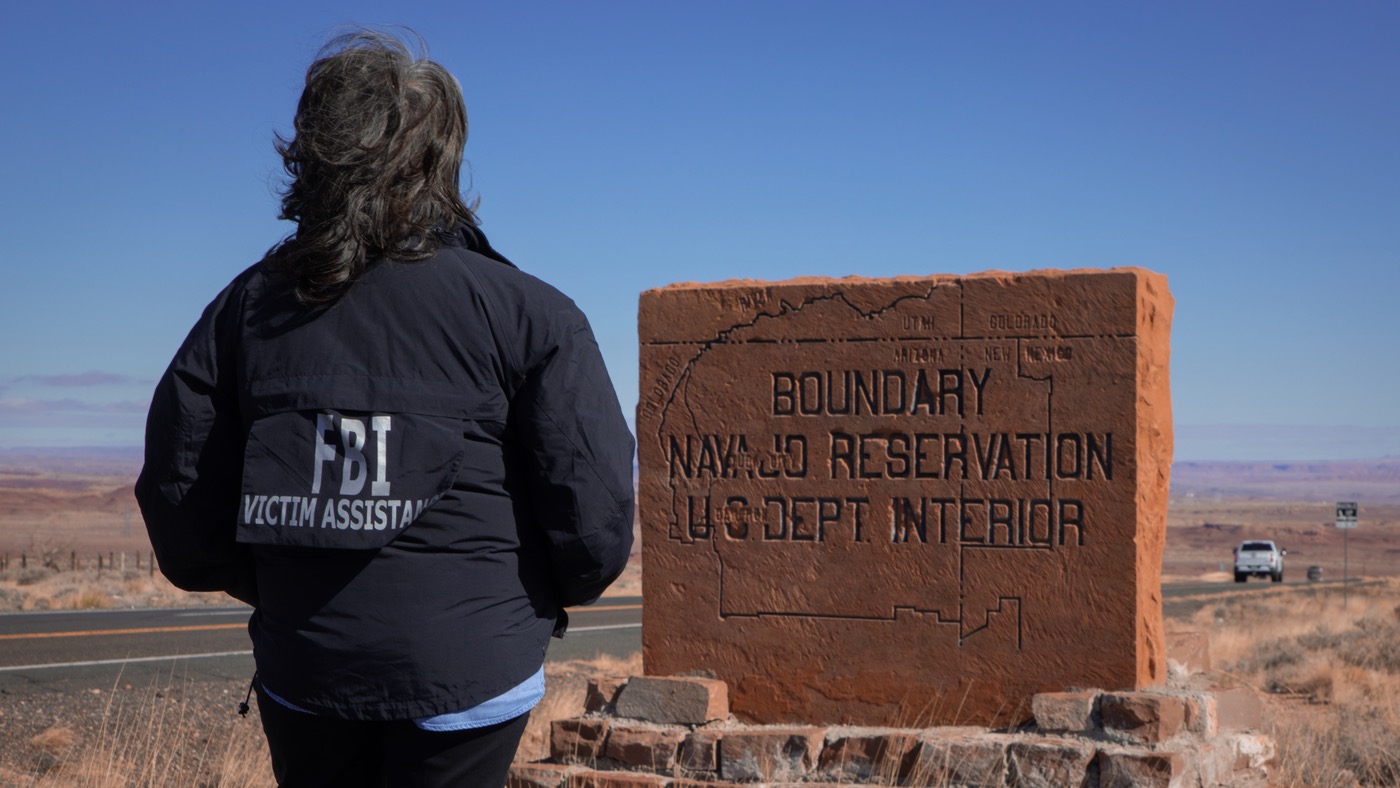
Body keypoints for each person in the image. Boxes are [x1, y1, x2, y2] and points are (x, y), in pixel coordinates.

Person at [135, 30, 635, 787]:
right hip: (473, 670)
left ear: (315, 153)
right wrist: (512, 600)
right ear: (443, 159)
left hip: (306, 668)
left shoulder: (245, 311)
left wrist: (284, 579)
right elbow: (593, 525)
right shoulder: (530, 313)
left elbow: (182, 504)